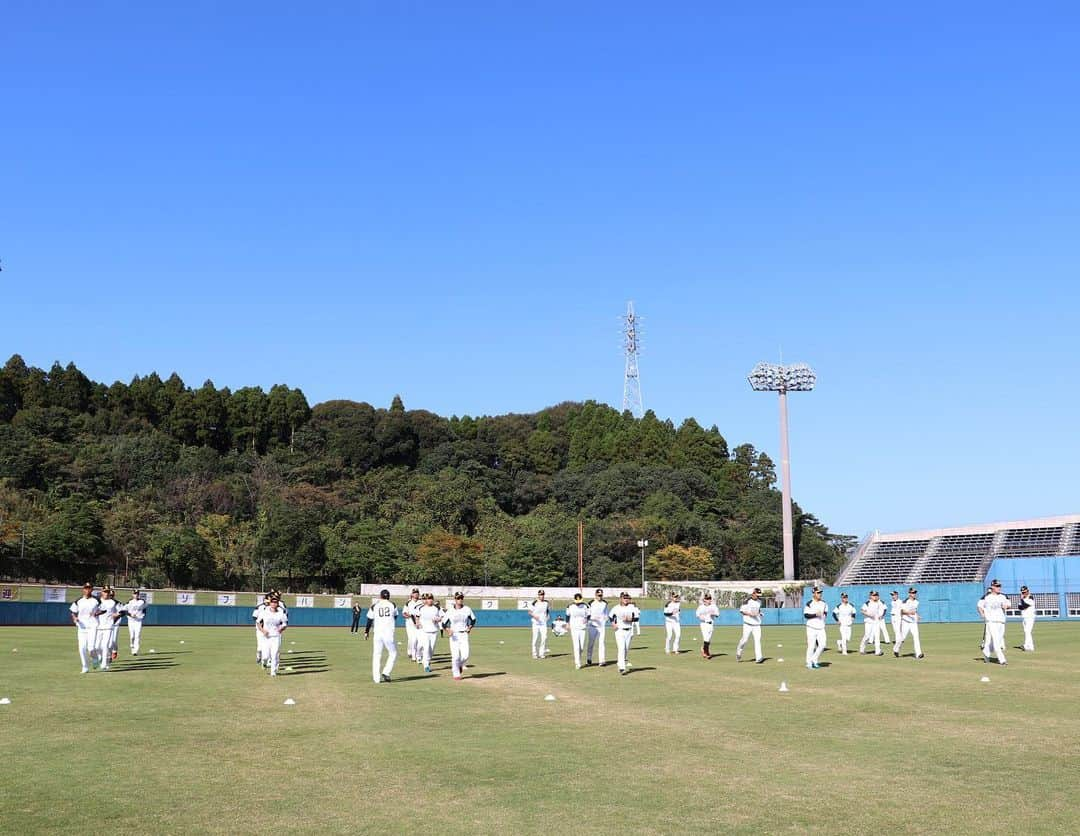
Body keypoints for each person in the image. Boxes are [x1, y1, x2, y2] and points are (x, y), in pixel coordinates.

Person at [364, 588, 399, 683]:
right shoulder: (393, 605)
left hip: (378, 633)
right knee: (393, 653)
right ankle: (386, 672)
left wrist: (366, 632)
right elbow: (395, 616)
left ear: (380, 596)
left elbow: (369, 619)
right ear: (389, 597)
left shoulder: (375, 606)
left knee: (377, 655)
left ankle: (376, 678)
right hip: (389, 633)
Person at [442, 592, 476, 680]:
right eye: (458, 598)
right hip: (454, 635)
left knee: (466, 655)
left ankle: (460, 665)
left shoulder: (467, 609)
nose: (460, 600)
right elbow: (443, 623)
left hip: (464, 634)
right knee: (455, 656)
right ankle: (456, 673)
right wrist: (448, 630)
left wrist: (470, 627)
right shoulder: (450, 610)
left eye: (461, 598)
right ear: (455, 599)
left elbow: (473, 619)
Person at [70, 582, 101, 673]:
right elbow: (73, 611)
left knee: (91, 648)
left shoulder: (96, 600)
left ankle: (95, 659)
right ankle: (85, 667)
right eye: (86, 588)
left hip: (92, 626)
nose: (87, 590)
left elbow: (103, 610)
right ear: (83, 589)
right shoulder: (78, 601)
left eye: (89, 588)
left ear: (92, 589)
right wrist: (75, 618)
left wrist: (96, 613)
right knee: (82, 648)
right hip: (82, 627)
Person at [608, 592, 640, 675]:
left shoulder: (632, 607)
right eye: (624, 598)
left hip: (629, 630)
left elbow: (636, 618)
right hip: (619, 630)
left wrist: (630, 619)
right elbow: (610, 616)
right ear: (621, 599)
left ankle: (620, 662)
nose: (626, 599)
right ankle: (622, 667)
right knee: (621, 648)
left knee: (626, 649)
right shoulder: (616, 608)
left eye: (627, 598)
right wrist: (613, 624)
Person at [980, 579, 1009, 666]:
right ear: (992, 587)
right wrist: (982, 614)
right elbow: (979, 606)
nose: (999, 588)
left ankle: (986, 654)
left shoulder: (1003, 596)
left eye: (999, 586)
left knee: (996, 641)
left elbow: (1008, 605)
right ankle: (1002, 660)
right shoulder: (986, 597)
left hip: (1001, 622)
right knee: (996, 641)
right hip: (991, 622)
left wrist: (1006, 606)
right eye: (997, 586)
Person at [257, 596, 288, 676]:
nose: (274, 604)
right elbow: (258, 622)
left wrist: (281, 629)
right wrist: (263, 630)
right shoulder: (264, 612)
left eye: (275, 602)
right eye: (272, 602)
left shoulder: (281, 614)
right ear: (270, 603)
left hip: (276, 636)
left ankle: (273, 672)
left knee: (274, 654)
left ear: (277, 604)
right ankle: (264, 662)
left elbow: (285, 623)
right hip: (266, 637)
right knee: (265, 656)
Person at [95, 586, 121, 671]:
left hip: (108, 626)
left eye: (107, 591)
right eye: (105, 591)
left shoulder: (113, 602)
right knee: (97, 647)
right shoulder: (97, 601)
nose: (106, 593)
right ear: (101, 592)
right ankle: (100, 658)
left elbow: (122, 611)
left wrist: (117, 615)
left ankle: (104, 664)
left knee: (105, 645)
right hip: (98, 626)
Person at [735, 587, 764, 663]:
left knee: (757, 641)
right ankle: (739, 652)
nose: (758, 596)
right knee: (744, 640)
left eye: (759, 595)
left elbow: (758, 609)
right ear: (753, 593)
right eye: (757, 595)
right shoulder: (747, 601)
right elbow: (741, 611)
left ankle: (759, 658)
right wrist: (750, 614)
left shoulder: (759, 601)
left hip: (757, 624)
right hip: (747, 624)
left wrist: (760, 613)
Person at [893, 588, 924, 659]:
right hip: (906, 622)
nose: (914, 594)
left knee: (916, 637)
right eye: (912, 593)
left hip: (913, 622)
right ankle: (896, 649)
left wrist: (917, 615)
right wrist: (910, 613)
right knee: (902, 638)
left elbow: (914, 611)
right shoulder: (905, 601)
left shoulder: (916, 602)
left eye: (915, 592)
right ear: (909, 593)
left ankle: (918, 654)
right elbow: (902, 612)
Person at [416, 593, 442, 673]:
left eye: (431, 598)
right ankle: (426, 665)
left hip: (433, 631)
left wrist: (438, 619)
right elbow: (417, 616)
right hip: (424, 631)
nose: (430, 600)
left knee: (431, 649)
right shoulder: (421, 608)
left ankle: (427, 660)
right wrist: (417, 623)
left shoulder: (436, 608)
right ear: (426, 600)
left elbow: (442, 617)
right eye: (428, 598)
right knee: (426, 647)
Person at [804, 587, 828, 669]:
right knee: (811, 646)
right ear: (814, 594)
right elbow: (806, 615)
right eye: (818, 593)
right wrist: (815, 614)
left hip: (821, 627)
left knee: (822, 645)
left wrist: (823, 616)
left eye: (820, 592)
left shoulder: (824, 603)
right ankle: (808, 663)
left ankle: (814, 659)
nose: (820, 594)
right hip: (811, 627)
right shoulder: (809, 603)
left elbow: (825, 613)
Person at [566, 593, 590, 669]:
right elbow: (567, 615)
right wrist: (567, 624)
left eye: (579, 600)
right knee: (576, 646)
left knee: (581, 647)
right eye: (577, 601)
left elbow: (589, 614)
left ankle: (578, 658)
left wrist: (586, 619)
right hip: (574, 628)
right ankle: (577, 663)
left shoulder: (585, 606)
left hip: (582, 628)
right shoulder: (570, 606)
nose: (578, 602)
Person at [859, 591, 886, 655]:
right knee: (867, 636)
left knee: (877, 636)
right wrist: (869, 615)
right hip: (868, 622)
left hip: (876, 622)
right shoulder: (867, 603)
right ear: (870, 596)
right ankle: (862, 648)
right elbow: (862, 611)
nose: (875, 596)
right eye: (874, 595)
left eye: (876, 595)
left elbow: (883, 610)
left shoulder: (879, 603)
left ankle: (878, 651)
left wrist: (881, 615)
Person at [587, 589, 608, 666]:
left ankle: (602, 660)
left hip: (601, 626)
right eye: (598, 595)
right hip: (592, 626)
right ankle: (589, 658)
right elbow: (588, 614)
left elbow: (606, 613)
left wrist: (606, 618)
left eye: (601, 595)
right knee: (591, 643)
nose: (600, 596)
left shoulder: (605, 603)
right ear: (595, 595)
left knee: (602, 643)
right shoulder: (591, 603)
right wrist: (593, 618)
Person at [696, 593, 720, 659]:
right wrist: (701, 617)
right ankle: (707, 653)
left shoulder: (713, 606)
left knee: (708, 639)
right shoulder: (701, 607)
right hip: (703, 624)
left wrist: (713, 613)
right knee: (706, 638)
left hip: (711, 624)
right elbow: (697, 614)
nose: (708, 600)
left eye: (709, 599)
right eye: (707, 599)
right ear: (704, 599)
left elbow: (717, 614)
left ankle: (704, 649)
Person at [529, 590, 550, 660]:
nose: (542, 596)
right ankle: (534, 654)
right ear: (538, 595)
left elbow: (547, 610)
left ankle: (541, 653)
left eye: (543, 594)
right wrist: (534, 616)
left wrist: (548, 615)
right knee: (535, 638)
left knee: (544, 638)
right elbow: (529, 612)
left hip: (543, 623)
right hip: (536, 623)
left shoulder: (546, 603)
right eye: (540, 595)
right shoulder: (534, 603)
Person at [125, 589, 147, 656]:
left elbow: (144, 609)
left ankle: (135, 650)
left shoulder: (142, 601)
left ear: (139, 594)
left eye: (137, 594)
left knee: (137, 635)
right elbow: (125, 611)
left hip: (138, 621)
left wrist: (143, 615)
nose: (136, 595)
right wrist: (130, 615)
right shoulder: (129, 602)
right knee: (132, 636)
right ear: (132, 594)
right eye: (135, 594)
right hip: (131, 621)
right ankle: (132, 645)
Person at [1019, 585, 1036, 652]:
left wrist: (1022, 600)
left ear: (1027, 591)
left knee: (1027, 631)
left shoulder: (1030, 597)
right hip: (1024, 617)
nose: (1023, 593)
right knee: (1027, 632)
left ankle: (1026, 646)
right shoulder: (1023, 599)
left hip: (1030, 617)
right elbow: (1020, 607)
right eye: (1022, 592)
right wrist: (1022, 601)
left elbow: (1025, 606)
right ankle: (1031, 647)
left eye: (1024, 592)